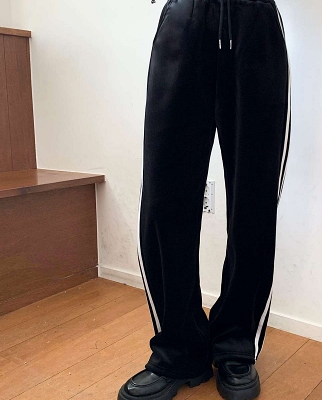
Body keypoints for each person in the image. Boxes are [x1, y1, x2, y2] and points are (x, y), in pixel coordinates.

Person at [118, 0, 291, 398]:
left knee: (254, 201)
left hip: (256, 24)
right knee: (164, 198)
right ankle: (178, 349)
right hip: (183, 19)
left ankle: (236, 344)